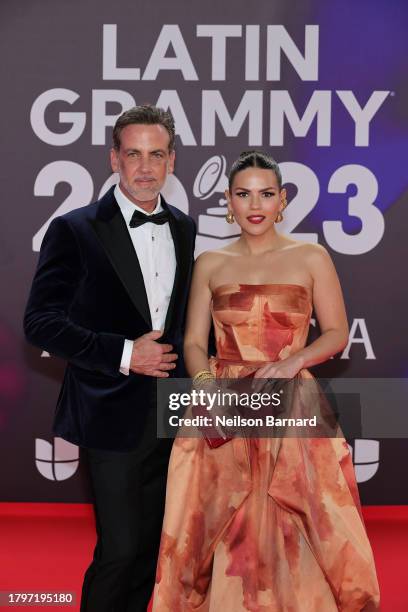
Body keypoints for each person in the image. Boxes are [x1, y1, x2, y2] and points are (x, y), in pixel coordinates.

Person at [152, 151, 380, 611]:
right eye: (243, 194)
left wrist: (293, 362)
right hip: (222, 401)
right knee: (218, 517)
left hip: (291, 399)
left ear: (282, 201)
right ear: (227, 202)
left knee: (303, 515)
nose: (254, 204)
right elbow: (195, 341)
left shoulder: (311, 256)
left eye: (266, 193)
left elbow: (336, 332)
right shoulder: (210, 262)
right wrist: (205, 383)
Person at [23, 104, 196, 611]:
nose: (145, 167)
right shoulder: (75, 229)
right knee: (120, 552)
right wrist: (125, 353)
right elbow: (40, 323)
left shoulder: (183, 227)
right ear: (113, 159)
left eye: (156, 155)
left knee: (149, 552)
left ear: (172, 162)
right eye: (134, 154)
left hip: (172, 414)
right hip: (108, 411)